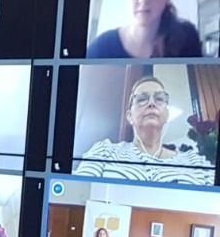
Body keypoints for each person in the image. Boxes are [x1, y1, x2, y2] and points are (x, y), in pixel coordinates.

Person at [75, 76, 212, 184]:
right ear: (129, 116)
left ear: (167, 115)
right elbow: (78, 192)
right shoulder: (104, 151)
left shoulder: (197, 162)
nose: (152, 103)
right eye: (141, 99)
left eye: (159, 99)